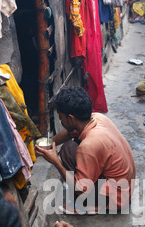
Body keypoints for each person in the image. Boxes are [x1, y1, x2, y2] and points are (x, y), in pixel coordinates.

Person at [35, 86, 136, 214]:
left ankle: (92, 205)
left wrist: (56, 162)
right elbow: (71, 132)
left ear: (70, 118)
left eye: (61, 118)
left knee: (67, 151)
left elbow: (80, 189)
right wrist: (50, 143)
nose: (61, 121)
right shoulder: (97, 118)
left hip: (117, 200)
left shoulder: (89, 145)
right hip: (127, 189)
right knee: (70, 146)